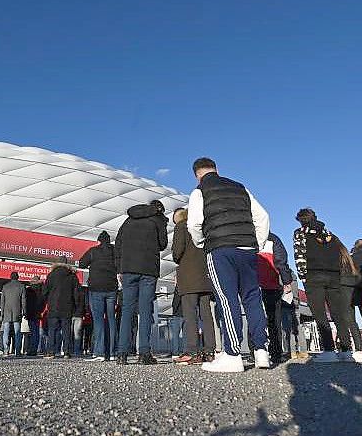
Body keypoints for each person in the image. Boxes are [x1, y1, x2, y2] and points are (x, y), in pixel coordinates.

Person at [187, 157, 271, 373]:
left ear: (196, 173)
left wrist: (201, 242)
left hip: (220, 249)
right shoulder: (240, 187)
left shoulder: (199, 191)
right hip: (248, 248)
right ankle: (261, 351)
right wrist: (257, 243)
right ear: (216, 169)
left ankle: (233, 354)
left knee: (226, 298)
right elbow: (262, 217)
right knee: (252, 298)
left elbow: (195, 223)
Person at [293, 208, 357, 363]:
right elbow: (339, 254)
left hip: (313, 275)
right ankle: (346, 350)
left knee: (319, 312)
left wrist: (303, 276)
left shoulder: (300, 233)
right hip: (334, 276)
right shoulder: (330, 235)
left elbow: (299, 255)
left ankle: (328, 350)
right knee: (338, 313)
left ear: (301, 219)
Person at [114, 199, 168, 365]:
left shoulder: (128, 220)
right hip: (148, 270)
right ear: (158, 209)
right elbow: (163, 244)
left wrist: (119, 268)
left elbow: (118, 244)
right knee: (145, 311)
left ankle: (122, 353)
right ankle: (144, 353)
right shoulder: (157, 220)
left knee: (126, 311)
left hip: (128, 269)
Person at [172, 208, 217, 366]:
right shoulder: (204, 227)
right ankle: (209, 351)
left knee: (190, 314)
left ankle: (192, 351)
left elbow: (177, 252)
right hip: (205, 277)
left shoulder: (181, 227)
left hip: (189, 276)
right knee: (206, 314)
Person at [257, 232, 297, 364]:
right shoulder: (273, 238)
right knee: (274, 321)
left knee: (254, 318)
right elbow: (281, 261)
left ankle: (257, 351)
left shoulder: (246, 236)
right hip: (272, 284)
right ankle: (276, 353)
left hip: (252, 285)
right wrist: (286, 281)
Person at [79, 231, 119, 362]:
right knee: (111, 320)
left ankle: (99, 352)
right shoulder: (115, 252)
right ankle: (112, 352)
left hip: (96, 288)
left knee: (98, 320)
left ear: (99, 241)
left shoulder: (93, 251)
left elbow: (82, 263)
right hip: (112, 289)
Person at [45, 259, 80, 359]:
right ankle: (66, 352)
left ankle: (51, 352)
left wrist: (47, 300)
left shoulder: (51, 275)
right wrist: (76, 305)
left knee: (52, 330)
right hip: (67, 307)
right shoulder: (72, 275)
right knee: (66, 330)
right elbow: (76, 293)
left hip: (53, 306)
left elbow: (45, 291)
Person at [0, 272, 26, 357]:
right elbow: (23, 300)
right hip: (17, 311)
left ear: (10, 277)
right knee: (17, 332)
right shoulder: (22, 286)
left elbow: (2, 301)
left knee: (6, 332)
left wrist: (2, 313)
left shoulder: (5, 287)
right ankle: (17, 351)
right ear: (18, 277)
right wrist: (24, 311)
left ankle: (6, 351)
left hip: (6, 311)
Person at [25, 279, 46, 356]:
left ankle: (31, 349)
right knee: (36, 332)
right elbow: (43, 302)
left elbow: (25, 302)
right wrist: (40, 311)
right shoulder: (41, 290)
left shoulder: (28, 290)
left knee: (31, 332)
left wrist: (26, 312)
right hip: (37, 313)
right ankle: (34, 349)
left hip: (30, 313)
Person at [72, 278, 88, 357]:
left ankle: (68, 350)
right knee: (77, 334)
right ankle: (77, 351)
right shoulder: (83, 293)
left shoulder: (70, 291)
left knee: (69, 333)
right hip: (79, 315)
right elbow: (85, 305)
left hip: (70, 314)